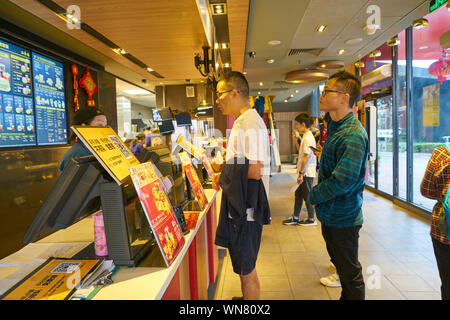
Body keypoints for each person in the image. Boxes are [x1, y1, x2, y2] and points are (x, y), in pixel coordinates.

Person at [307, 71, 369, 300]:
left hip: (344, 217)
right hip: (332, 214)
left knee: (350, 274)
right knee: (343, 270)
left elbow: (342, 181)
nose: (322, 96)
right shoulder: (335, 126)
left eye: (327, 92)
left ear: (344, 97)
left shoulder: (352, 134)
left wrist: (313, 195)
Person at [213, 71, 271, 300]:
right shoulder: (243, 121)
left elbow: (255, 170)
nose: (217, 100)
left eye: (220, 94)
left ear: (235, 93)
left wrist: (223, 168)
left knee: (246, 269)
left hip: (247, 206)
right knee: (242, 263)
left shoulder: (250, 122)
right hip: (243, 202)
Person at [420, 146, 450, 300]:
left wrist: (443, 196)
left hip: (444, 231)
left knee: (447, 283)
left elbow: (425, 190)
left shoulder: (442, 155)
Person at [283, 113, 317, 226]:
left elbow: (306, 157)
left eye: (297, 124)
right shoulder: (306, 136)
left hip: (306, 172)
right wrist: (296, 140)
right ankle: (296, 217)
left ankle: (311, 219)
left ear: (303, 124)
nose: (296, 126)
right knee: (298, 194)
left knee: (308, 196)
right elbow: (301, 153)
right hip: (304, 172)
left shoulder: (308, 138)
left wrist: (301, 174)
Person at [59, 107, 107, 173]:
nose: (104, 130)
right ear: (84, 127)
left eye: (105, 127)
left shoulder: (101, 149)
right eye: (99, 126)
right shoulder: (76, 153)